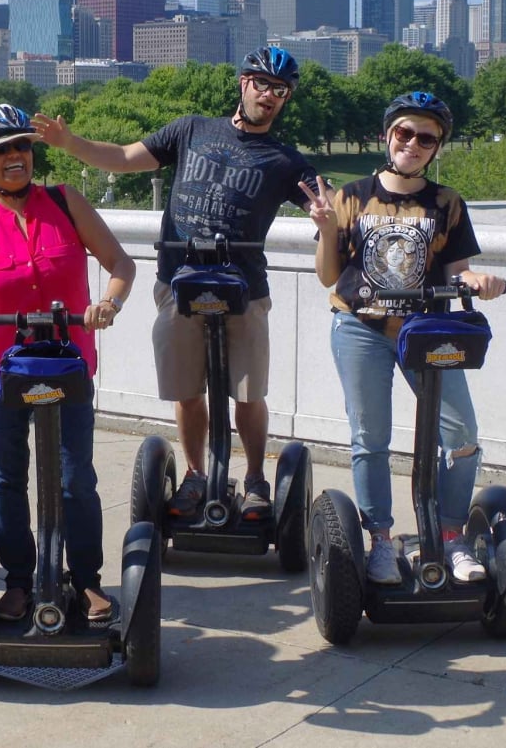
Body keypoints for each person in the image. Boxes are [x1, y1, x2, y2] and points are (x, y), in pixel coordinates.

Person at [34, 46, 322, 522]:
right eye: (261, 84)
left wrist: (338, 214)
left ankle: (253, 479)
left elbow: (325, 205)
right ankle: (195, 474)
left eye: (280, 90)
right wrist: (72, 143)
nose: (269, 96)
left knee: (247, 393)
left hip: (245, 290)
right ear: (242, 83)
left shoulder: (286, 161)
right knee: (188, 392)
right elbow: (126, 158)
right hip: (178, 284)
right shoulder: (191, 129)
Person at [0, 104, 135, 623]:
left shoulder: (66, 202)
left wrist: (109, 303)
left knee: (74, 477)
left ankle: (84, 581)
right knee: (6, 479)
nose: (15, 157)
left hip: (67, 363)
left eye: (21, 146)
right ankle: (19, 580)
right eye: (0, 150)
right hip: (1, 372)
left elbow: (121, 264)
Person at [302, 92, 505, 584]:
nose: (412, 143)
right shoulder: (352, 196)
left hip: (426, 331)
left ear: (437, 147)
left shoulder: (447, 203)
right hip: (359, 327)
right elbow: (329, 277)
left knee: (461, 435)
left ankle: (452, 536)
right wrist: (328, 228)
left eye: (426, 137)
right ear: (387, 135)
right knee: (370, 438)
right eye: (404, 133)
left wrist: (479, 281)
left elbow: (460, 270)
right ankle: (381, 542)